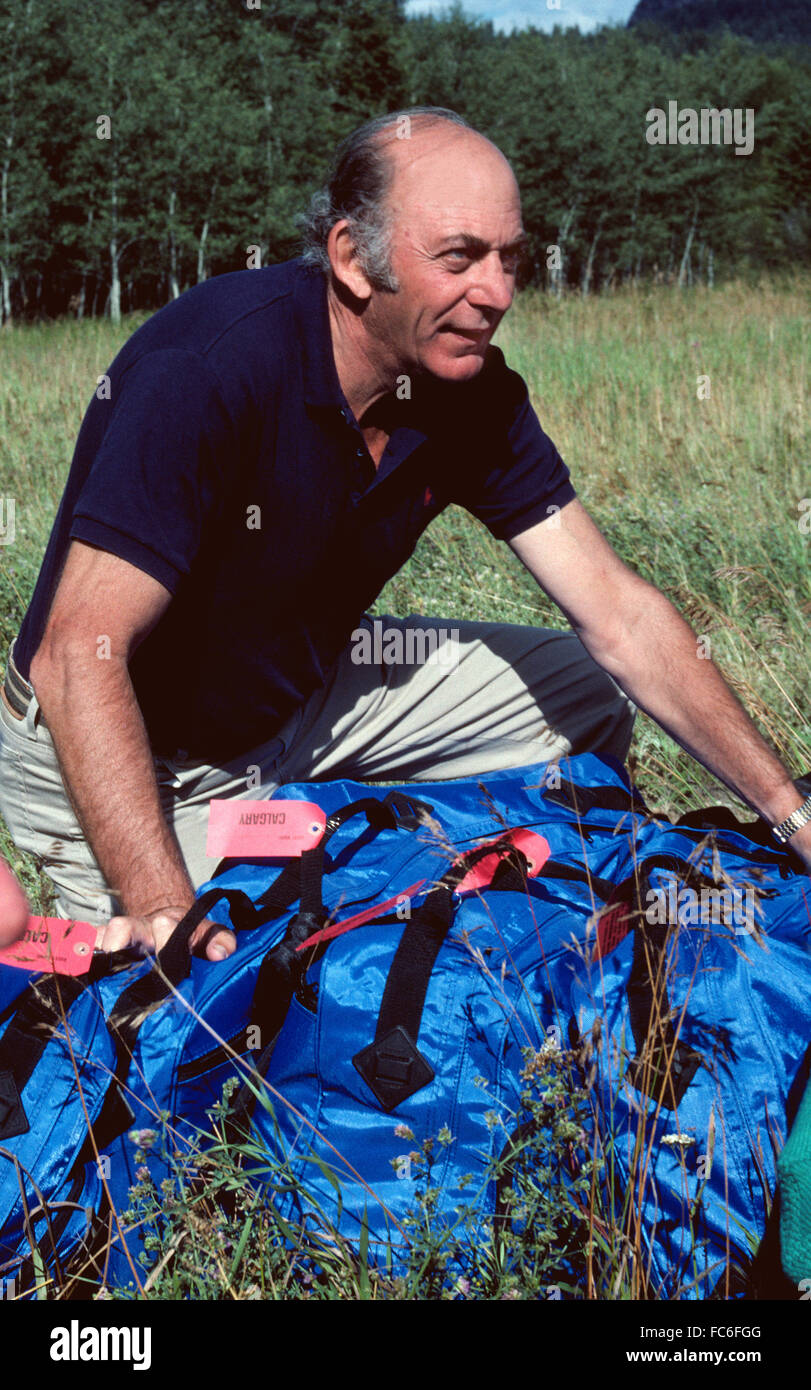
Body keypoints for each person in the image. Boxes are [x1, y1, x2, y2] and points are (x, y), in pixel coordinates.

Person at [1, 106, 809, 963]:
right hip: (119, 751)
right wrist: (165, 906)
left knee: (580, 689)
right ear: (352, 258)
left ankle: (550, 888)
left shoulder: (468, 393)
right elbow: (76, 653)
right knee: (246, 967)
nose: (495, 294)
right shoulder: (211, 368)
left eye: (511, 259)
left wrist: (790, 812)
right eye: (458, 258)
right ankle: (309, 871)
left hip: (296, 705)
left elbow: (617, 613)